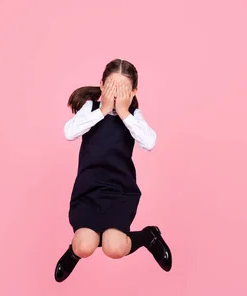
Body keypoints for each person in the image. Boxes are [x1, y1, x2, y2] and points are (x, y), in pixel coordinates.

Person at [54, 59, 172, 282]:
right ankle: (75, 251)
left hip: (119, 190)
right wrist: (104, 110)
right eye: (111, 87)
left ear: (134, 91)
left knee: (114, 248)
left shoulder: (133, 116)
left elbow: (149, 142)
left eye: (123, 89)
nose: (116, 94)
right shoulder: (90, 108)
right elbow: (69, 133)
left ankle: (149, 236)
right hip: (88, 189)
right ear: (101, 85)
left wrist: (125, 113)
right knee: (83, 246)